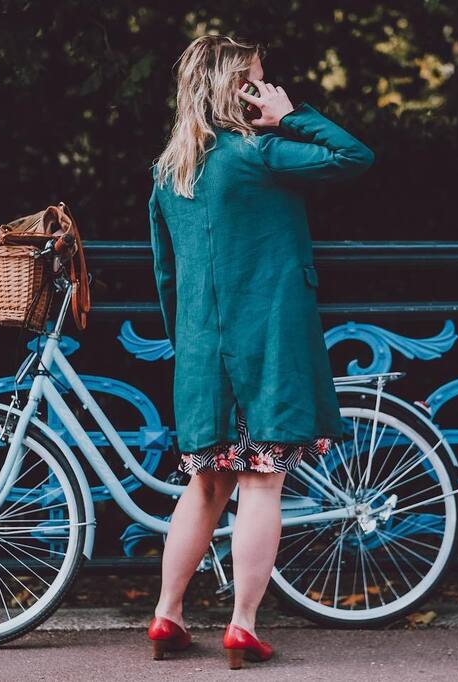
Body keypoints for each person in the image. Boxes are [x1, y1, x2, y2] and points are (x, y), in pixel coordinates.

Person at [146, 33, 374, 670]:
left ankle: (167, 615)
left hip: (201, 352)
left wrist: (187, 345)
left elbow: (166, 276)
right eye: (257, 79)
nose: (265, 87)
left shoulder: (171, 172)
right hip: (269, 345)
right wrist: (290, 113)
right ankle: (242, 625)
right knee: (261, 482)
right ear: (234, 88)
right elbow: (354, 156)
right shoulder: (263, 154)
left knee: (204, 487)